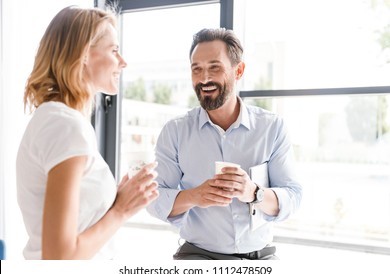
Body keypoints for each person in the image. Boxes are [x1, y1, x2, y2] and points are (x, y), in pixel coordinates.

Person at [16, 6, 159, 260]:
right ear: (83, 54)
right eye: (114, 50)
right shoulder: (66, 126)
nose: (123, 62)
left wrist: (116, 199)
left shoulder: (56, 119)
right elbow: (58, 257)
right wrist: (122, 210)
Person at [147, 28, 302, 260]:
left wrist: (254, 193)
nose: (204, 79)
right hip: (198, 256)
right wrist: (195, 196)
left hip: (260, 258)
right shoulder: (175, 131)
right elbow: (155, 198)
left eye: (214, 67)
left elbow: (293, 196)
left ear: (238, 70)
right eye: (196, 69)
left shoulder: (271, 128)